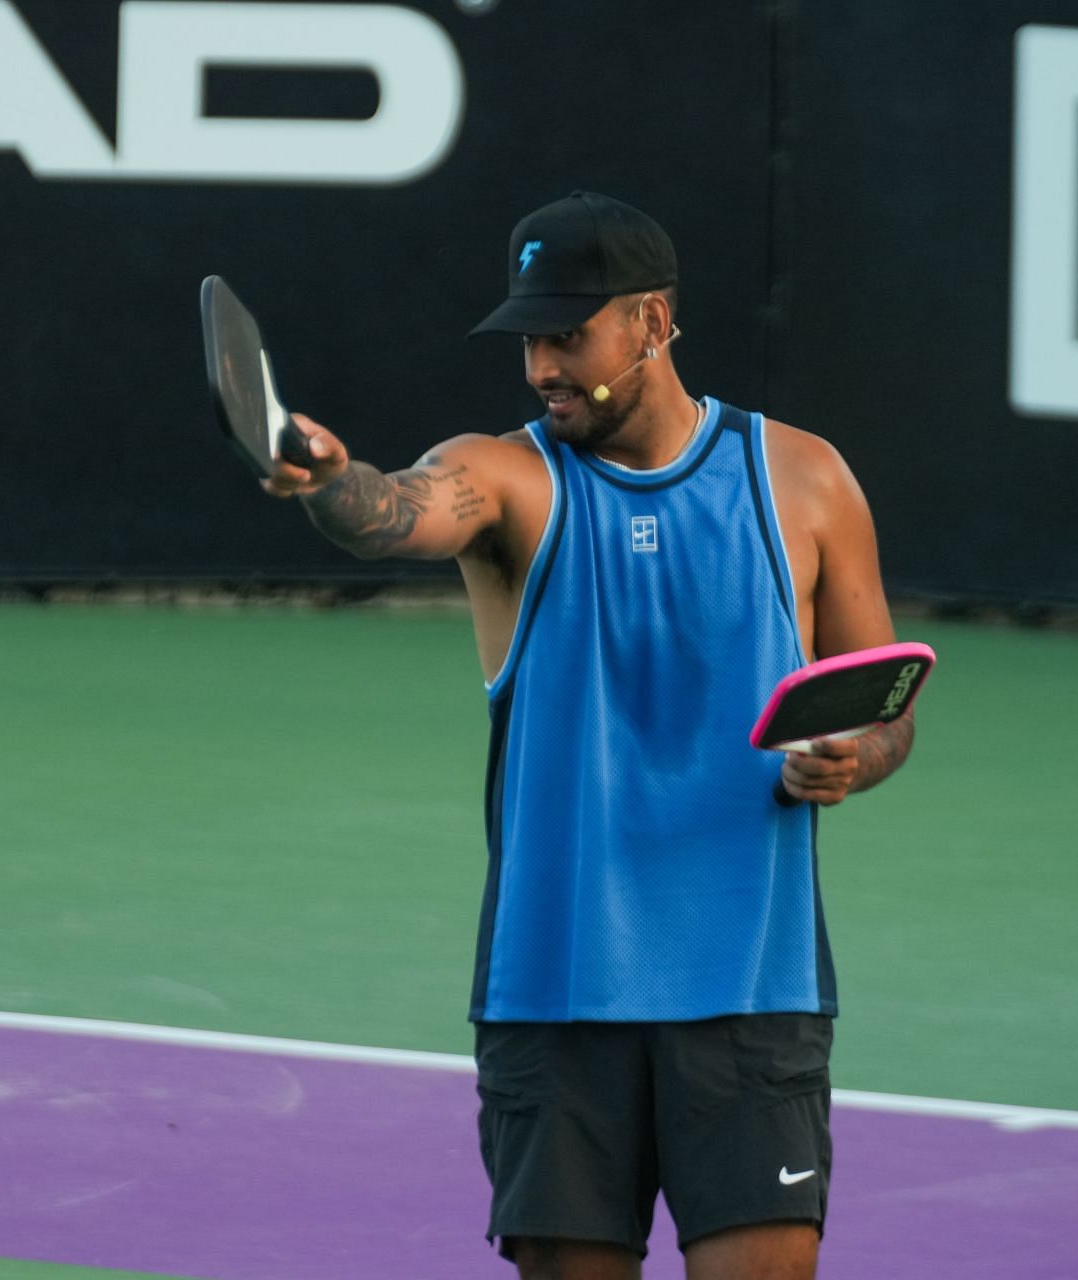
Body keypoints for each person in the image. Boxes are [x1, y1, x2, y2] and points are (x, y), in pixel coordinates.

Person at [259, 191, 915, 1280]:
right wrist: (331, 483)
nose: (541, 367)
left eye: (568, 335)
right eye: (529, 339)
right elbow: (398, 509)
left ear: (652, 324)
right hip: (556, 996)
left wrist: (855, 755)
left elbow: (884, 701)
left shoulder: (806, 481)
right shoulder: (508, 478)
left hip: (752, 990)